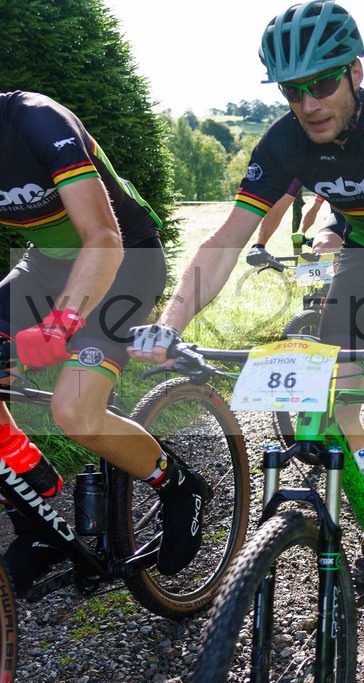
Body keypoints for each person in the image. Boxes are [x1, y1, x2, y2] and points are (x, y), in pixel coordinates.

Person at [128, 1, 364, 569]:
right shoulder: (282, 143)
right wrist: (170, 325)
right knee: (323, 398)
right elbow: (225, 239)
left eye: (322, 84)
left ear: (356, 72)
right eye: (292, 91)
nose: (308, 104)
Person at [0, 90, 209, 591]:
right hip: (45, 266)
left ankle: (180, 487)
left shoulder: (36, 121)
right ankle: (37, 515)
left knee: (75, 412)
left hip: (124, 259)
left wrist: (60, 324)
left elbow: (103, 238)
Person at [245, 178, 342, 265]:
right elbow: (280, 208)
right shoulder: (311, 168)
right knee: (322, 250)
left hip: (356, 219)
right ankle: (330, 284)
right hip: (340, 217)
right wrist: (259, 245)